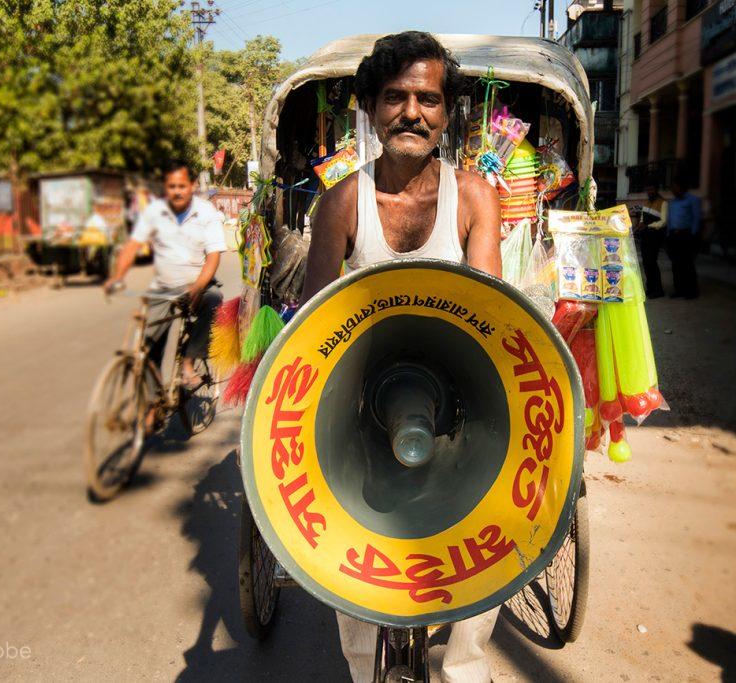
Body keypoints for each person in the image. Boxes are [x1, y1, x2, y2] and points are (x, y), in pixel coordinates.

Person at [301, 31, 503, 683]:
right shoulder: (341, 203)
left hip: (454, 412)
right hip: (365, 413)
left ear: (447, 114)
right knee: (346, 550)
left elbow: (497, 323)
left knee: (503, 526)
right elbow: (310, 330)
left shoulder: (473, 197)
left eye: (428, 98)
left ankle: (465, 667)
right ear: (369, 107)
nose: (411, 112)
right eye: (395, 97)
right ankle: (365, 671)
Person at [104, 160, 225, 397]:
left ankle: (189, 361)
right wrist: (116, 278)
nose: (177, 191)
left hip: (196, 284)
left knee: (214, 299)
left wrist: (199, 286)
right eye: (171, 186)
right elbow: (132, 246)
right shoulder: (154, 211)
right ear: (165, 188)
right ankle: (152, 403)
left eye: (181, 185)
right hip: (163, 288)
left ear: (192, 186)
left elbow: (213, 257)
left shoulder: (206, 213)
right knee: (148, 345)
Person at [666, 175, 702, 299]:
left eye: (675, 187)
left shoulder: (693, 200)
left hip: (686, 235)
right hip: (673, 236)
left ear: (682, 187)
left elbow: (696, 218)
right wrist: (668, 234)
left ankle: (691, 291)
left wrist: (693, 234)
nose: (673, 190)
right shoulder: (672, 202)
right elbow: (670, 219)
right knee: (675, 265)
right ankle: (679, 290)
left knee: (687, 264)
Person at [635, 180, 668, 298]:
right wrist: (640, 224)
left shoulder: (663, 203)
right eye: (648, 190)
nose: (650, 192)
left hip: (655, 236)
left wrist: (648, 226)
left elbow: (663, 221)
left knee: (652, 262)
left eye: (652, 190)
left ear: (657, 190)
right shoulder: (646, 202)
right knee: (646, 263)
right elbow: (642, 218)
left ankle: (658, 290)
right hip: (645, 235)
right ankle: (650, 288)